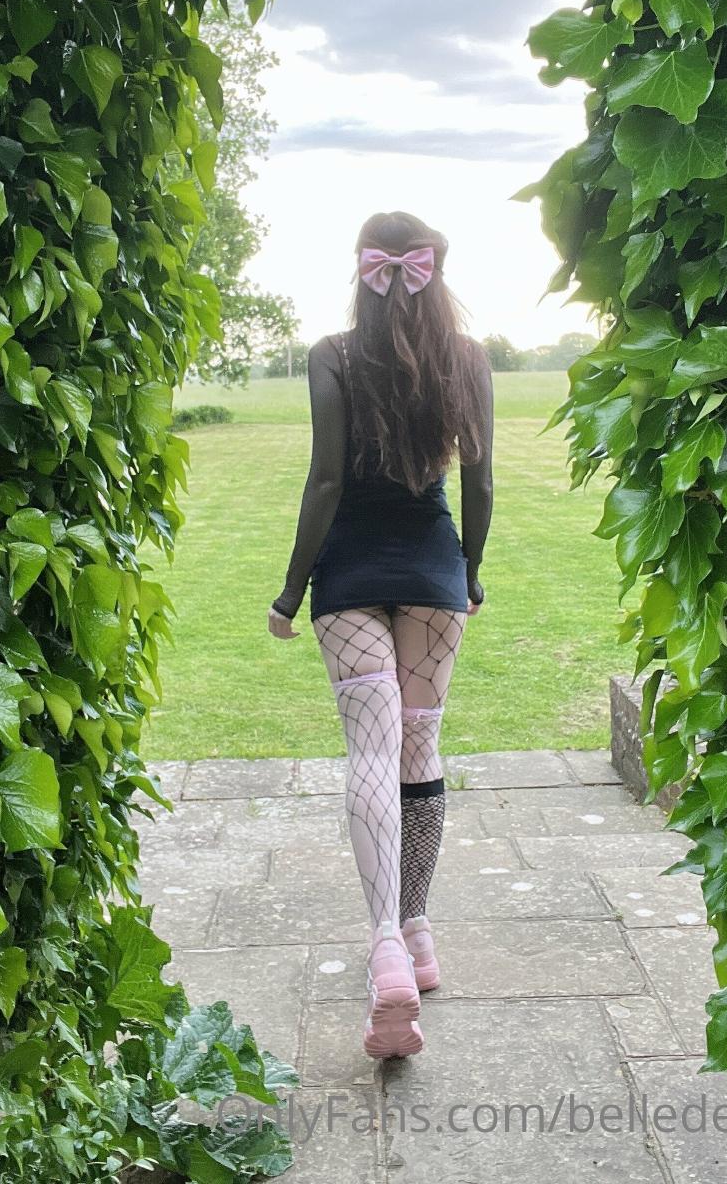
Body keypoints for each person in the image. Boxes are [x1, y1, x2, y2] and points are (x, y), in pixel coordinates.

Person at [267, 209, 494, 1060]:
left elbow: (325, 480)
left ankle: (387, 948)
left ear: (363, 270)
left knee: (370, 749)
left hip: (351, 575)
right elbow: (482, 483)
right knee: (419, 747)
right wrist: (469, 572)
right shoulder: (467, 357)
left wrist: (292, 590)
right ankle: (420, 931)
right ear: (436, 271)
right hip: (434, 571)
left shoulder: (331, 354)